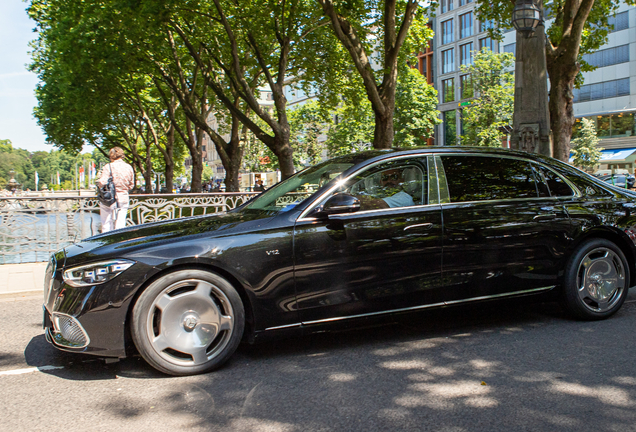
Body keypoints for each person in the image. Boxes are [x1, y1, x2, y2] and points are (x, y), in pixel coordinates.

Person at [97, 146, 134, 233]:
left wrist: (98, 183)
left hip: (110, 198)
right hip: (124, 197)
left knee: (106, 223)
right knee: (121, 222)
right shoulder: (129, 167)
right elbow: (131, 185)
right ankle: (119, 240)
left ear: (111, 156)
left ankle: (108, 241)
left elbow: (103, 182)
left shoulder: (109, 166)